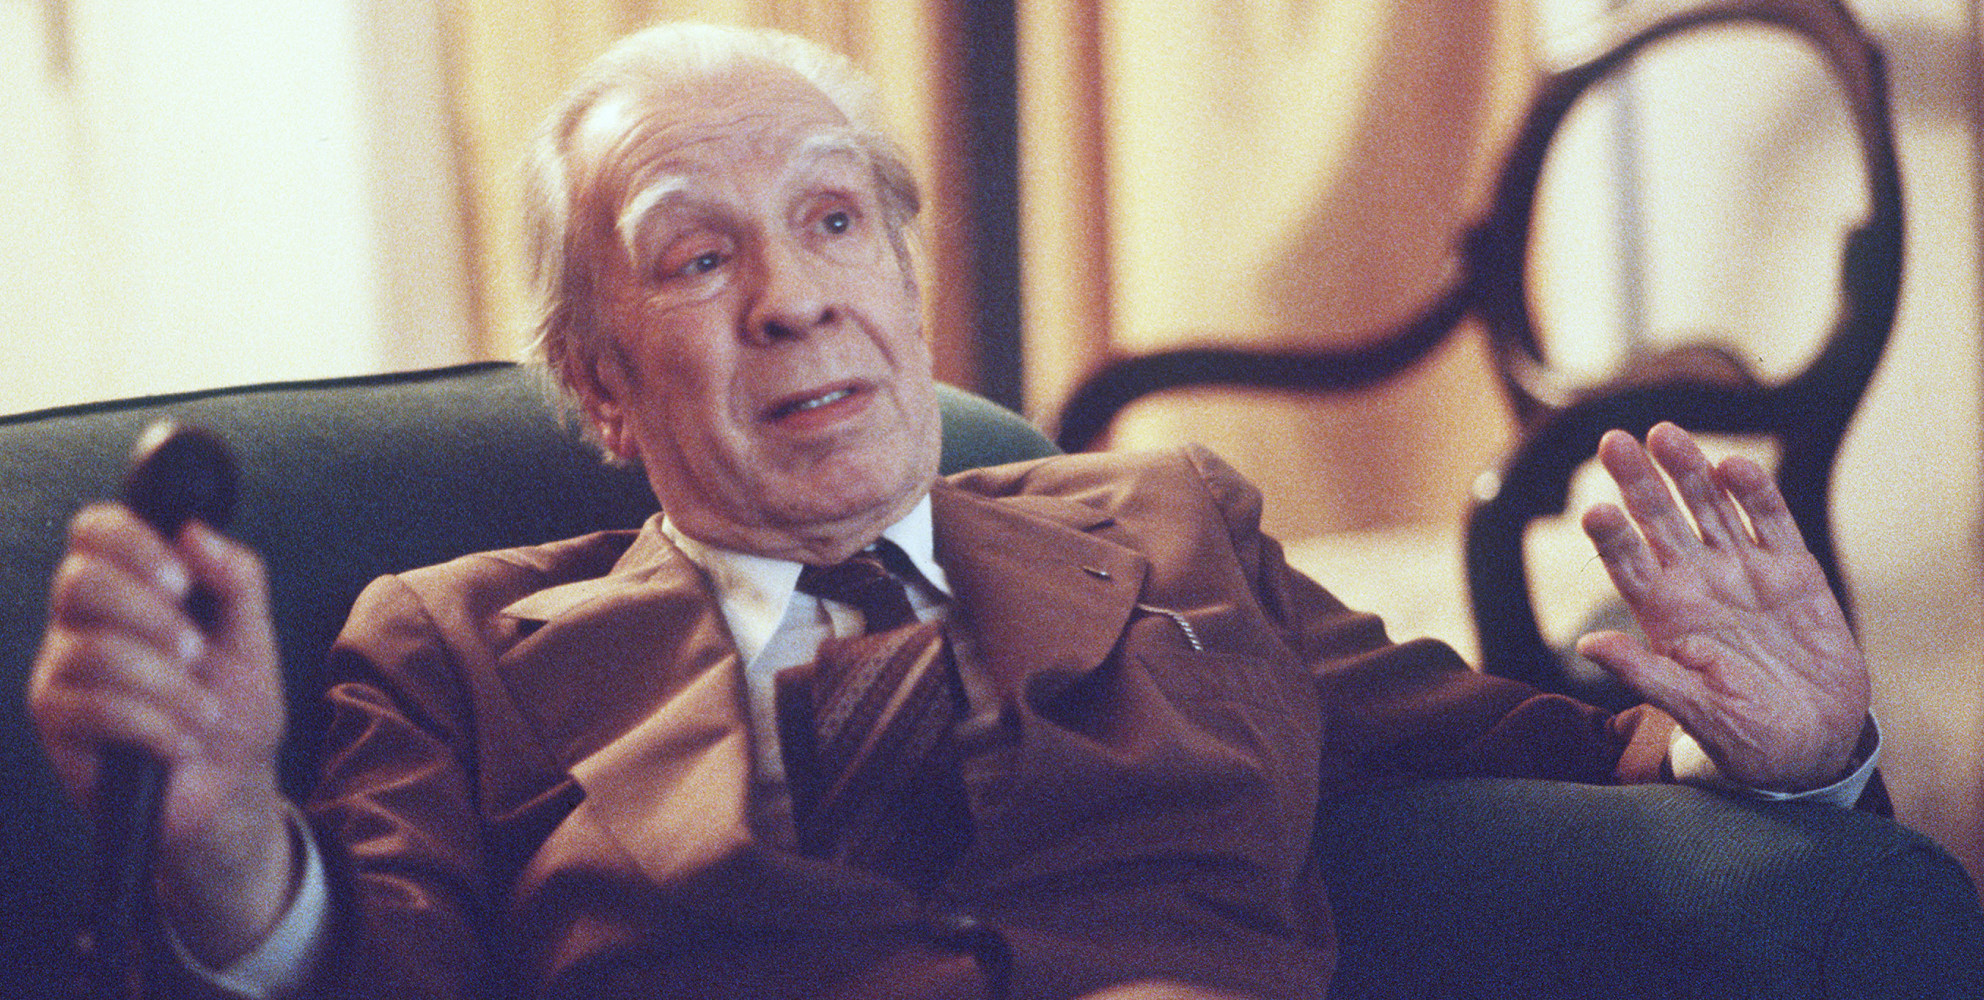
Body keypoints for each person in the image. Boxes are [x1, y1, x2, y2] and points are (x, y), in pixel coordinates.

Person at [28, 21, 1877, 1000]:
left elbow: (1538, 749)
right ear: (596, 385)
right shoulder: (448, 648)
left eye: (835, 221)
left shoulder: (1170, 529)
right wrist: (220, 848)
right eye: (697, 256)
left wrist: (1798, 753)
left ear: (909, 281)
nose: (795, 299)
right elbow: (372, 974)